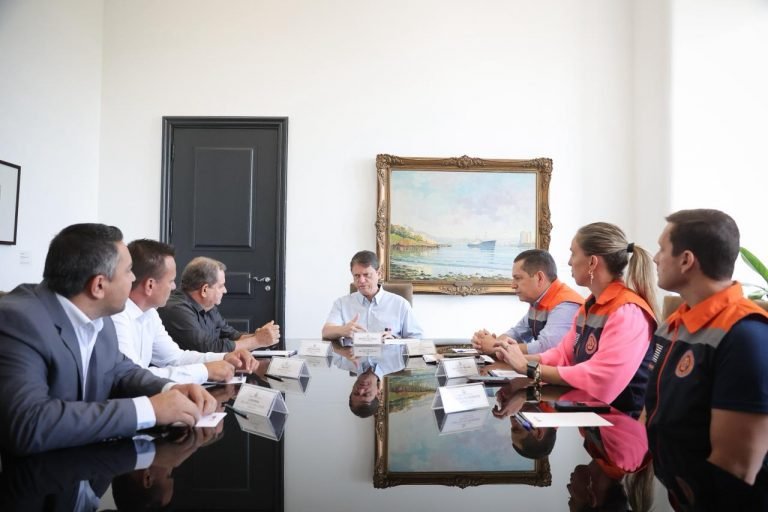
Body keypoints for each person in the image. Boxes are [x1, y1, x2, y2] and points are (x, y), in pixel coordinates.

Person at [0, 223, 217, 456]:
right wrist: (149, 410)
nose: (134, 278)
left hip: (86, 464)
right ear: (99, 285)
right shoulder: (18, 320)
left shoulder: (101, 319)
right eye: (128, 271)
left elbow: (122, 371)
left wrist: (172, 389)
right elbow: (28, 423)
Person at [645, 209, 768, 487]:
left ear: (686, 260)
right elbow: (650, 411)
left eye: (662, 249)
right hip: (673, 487)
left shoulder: (746, 336)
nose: (655, 257)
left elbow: (735, 467)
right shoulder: (672, 325)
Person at [494, 222, 659, 417]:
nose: (569, 262)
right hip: (589, 416)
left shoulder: (628, 311)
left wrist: (528, 367)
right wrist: (516, 359)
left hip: (618, 421)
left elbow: (600, 378)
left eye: (573, 254)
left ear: (592, 262)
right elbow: (563, 356)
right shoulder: (589, 306)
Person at [112, 239, 257, 385]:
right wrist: (205, 371)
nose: (174, 287)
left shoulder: (150, 313)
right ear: (150, 285)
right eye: (170, 281)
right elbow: (133, 376)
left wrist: (224, 357)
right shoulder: (116, 316)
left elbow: (175, 358)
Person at [158, 256, 280, 353]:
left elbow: (232, 335)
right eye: (221, 286)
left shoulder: (209, 307)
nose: (225, 290)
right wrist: (257, 341)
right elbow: (207, 348)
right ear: (204, 289)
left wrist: (259, 335)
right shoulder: (176, 309)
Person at [472, 249, 583, 355]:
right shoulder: (538, 301)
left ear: (539, 278)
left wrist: (496, 346)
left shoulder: (566, 305)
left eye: (518, 278)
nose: (513, 285)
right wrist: (486, 343)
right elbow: (517, 333)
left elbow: (546, 348)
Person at [322, 250, 422, 342]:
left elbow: (418, 339)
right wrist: (343, 330)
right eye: (357, 276)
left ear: (379, 274)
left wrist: (394, 341)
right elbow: (326, 331)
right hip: (352, 355)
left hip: (389, 355)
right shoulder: (342, 303)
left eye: (366, 275)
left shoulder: (400, 304)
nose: (361, 280)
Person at [332, 344, 407, 418]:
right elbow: (412, 337)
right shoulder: (399, 362)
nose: (361, 390)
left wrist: (339, 349)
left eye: (356, 393)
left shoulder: (341, 362)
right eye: (366, 394)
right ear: (378, 394)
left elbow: (329, 342)